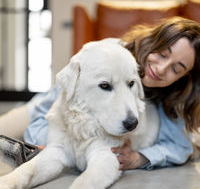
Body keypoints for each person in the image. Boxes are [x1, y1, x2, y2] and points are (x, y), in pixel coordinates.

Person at [2, 16, 200, 170]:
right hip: (40, 111)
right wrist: (47, 144)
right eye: (162, 54)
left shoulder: (174, 97)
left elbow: (181, 147)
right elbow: (45, 111)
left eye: (177, 68)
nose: (161, 68)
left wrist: (139, 159)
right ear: (153, 41)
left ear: (185, 75)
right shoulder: (109, 53)